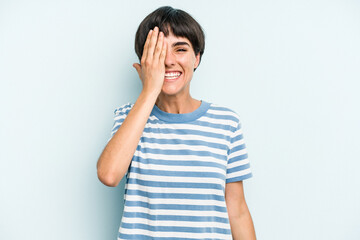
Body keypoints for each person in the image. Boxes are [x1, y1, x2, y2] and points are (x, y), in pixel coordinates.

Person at [97, 6, 256, 240]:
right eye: (158, 52)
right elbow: (109, 175)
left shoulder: (226, 123)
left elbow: (238, 211)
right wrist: (150, 90)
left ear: (197, 58)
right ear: (145, 61)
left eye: (180, 49)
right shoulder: (127, 117)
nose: (169, 61)